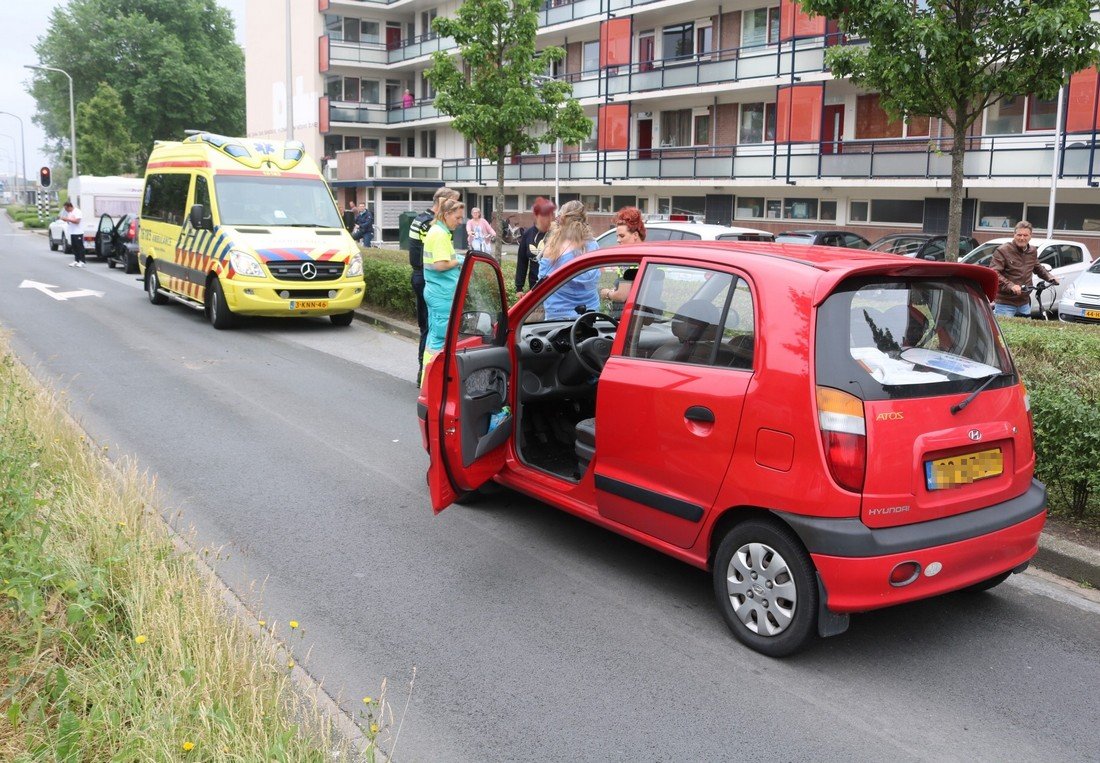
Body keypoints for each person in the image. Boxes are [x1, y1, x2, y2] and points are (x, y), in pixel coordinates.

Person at [409, 186, 460, 384]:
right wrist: (456, 262)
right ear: (443, 203)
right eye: (453, 203)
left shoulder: (422, 220)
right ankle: (426, 373)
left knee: (428, 328)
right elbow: (437, 260)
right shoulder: (430, 225)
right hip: (429, 279)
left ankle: (425, 373)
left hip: (423, 276)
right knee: (431, 330)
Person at [422, 198, 466, 380]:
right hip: (442, 295)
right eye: (457, 217)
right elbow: (440, 265)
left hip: (435, 292)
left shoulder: (436, 230)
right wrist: (460, 260)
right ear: (446, 214)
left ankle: (427, 379)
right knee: (440, 341)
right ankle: (432, 382)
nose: (460, 221)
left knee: (433, 338)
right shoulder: (440, 234)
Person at [538, 200, 600, 319]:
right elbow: (597, 274)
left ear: (562, 218)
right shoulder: (593, 244)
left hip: (558, 315)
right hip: (590, 313)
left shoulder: (554, 246)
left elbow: (542, 281)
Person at [990, 220, 1058, 318]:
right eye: (1019, 235)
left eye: (1025, 235)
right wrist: (1011, 285)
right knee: (1006, 332)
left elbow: (1038, 268)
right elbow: (994, 272)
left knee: (1025, 332)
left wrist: (1050, 277)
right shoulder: (1003, 250)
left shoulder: (1032, 251)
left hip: (1024, 302)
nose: (1022, 238)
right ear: (1014, 235)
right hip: (1005, 303)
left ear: (1030, 236)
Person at [599, 206, 647, 319]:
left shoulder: (628, 261)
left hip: (623, 319)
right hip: (641, 318)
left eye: (622, 236)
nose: (618, 240)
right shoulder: (646, 256)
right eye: (617, 236)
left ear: (635, 235)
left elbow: (622, 295)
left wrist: (606, 293)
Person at [516, 197, 555, 296]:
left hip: (554, 288)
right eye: (545, 215)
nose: (549, 219)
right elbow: (522, 261)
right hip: (535, 288)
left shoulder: (556, 235)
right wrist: (519, 288)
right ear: (537, 216)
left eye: (551, 215)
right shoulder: (528, 234)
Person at [61, 201, 85, 268]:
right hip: (72, 232)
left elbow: (77, 221)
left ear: (70, 207)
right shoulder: (70, 213)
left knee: (79, 247)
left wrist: (68, 219)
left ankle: (82, 261)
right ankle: (76, 260)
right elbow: (70, 220)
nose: (66, 210)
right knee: (74, 247)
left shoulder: (77, 211)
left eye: (66, 209)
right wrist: (66, 220)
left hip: (78, 232)